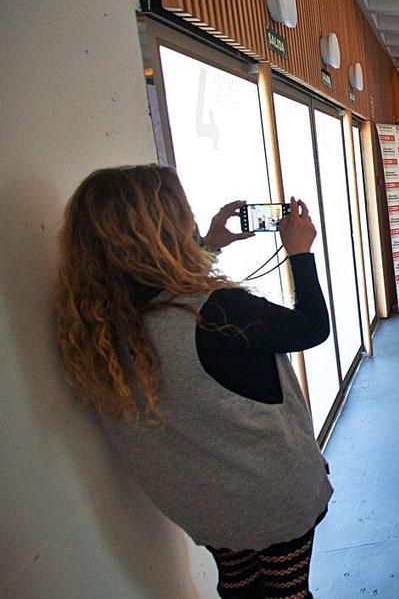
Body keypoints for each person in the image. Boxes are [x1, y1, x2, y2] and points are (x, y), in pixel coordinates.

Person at [54, 166, 332, 599]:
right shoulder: (219, 311)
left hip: (199, 501)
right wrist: (300, 253)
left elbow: (158, 290)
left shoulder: (94, 323)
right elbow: (311, 327)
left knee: (238, 586)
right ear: (165, 228)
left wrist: (210, 245)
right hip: (270, 494)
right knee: (287, 592)